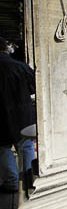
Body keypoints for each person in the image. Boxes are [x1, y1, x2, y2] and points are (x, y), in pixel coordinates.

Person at [0, 37, 36, 193]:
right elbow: (34, 87)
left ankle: (11, 181)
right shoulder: (20, 66)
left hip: (1, 116)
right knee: (26, 147)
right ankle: (28, 180)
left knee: (2, 148)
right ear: (6, 49)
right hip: (22, 115)